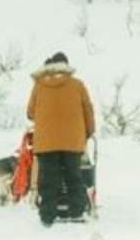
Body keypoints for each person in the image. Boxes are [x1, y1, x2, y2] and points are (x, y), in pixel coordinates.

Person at [24, 51, 95, 226]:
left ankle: (48, 216)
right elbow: (88, 110)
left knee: (49, 179)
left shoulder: (39, 86)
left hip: (46, 143)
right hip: (73, 142)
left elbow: (30, 113)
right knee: (74, 176)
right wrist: (88, 132)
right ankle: (76, 211)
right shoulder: (77, 85)